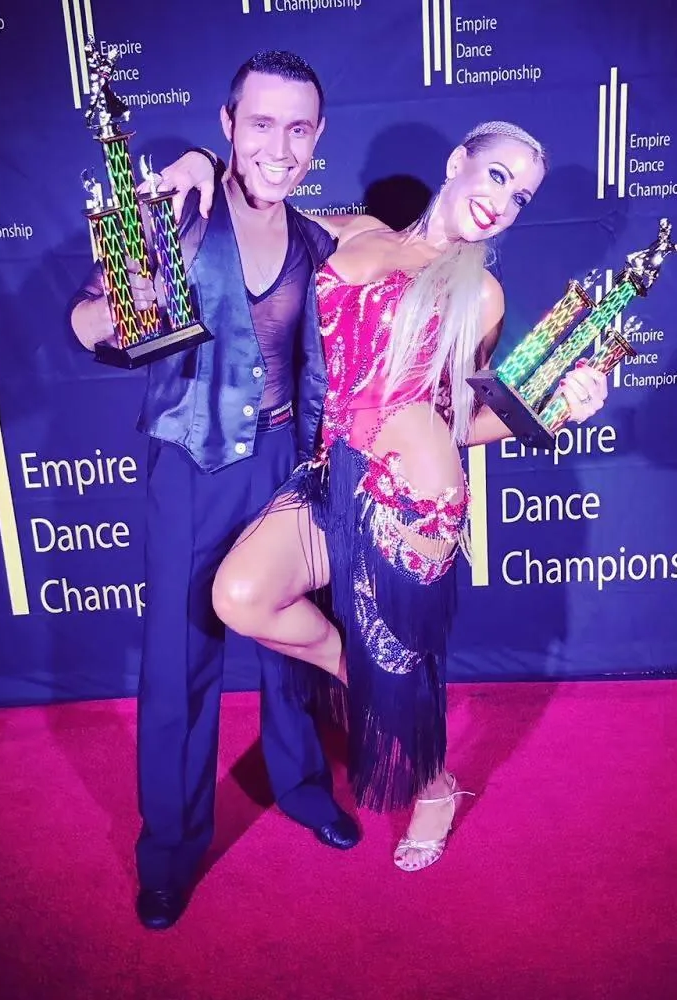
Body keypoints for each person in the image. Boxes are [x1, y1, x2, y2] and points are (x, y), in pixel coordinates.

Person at [170, 120, 609, 872]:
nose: (504, 203)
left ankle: (433, 787)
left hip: (416, 500)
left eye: (522, 197)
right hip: (329, 470)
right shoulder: (353, 232)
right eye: (498, 177)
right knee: (240, 595)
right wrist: (202, 162)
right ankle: (364, 681)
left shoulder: (486, 293)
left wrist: (559, 408)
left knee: (401, 660)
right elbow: (261, 202)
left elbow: (458, 423)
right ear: (458, 162)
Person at [69, 51, 361, 931]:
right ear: (228, 125)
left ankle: (304, 787)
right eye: (261, 123)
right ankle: (169, 851)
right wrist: (122, 319)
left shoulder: (320, 240)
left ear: (318, 139)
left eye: (298, 127)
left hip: (285, 463)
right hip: (189, 466)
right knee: (179, 665)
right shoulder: (180, 210)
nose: (280, 144)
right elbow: (89, 317)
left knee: (286, 645)